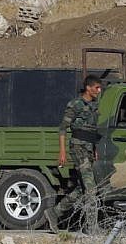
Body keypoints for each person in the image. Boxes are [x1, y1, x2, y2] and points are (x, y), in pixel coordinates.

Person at [43, 75, 103, 233]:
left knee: (81, 189)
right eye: (96, 87)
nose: (99, 90)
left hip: (89, 148)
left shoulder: (95, 105)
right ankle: (92, 227)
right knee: (91, 188)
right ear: (88, 88)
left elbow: (92, 129)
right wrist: (62, 151)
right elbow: (63, 128)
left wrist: (95, 149)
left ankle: (54, 213)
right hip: (78, 148)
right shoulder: (75, 104)